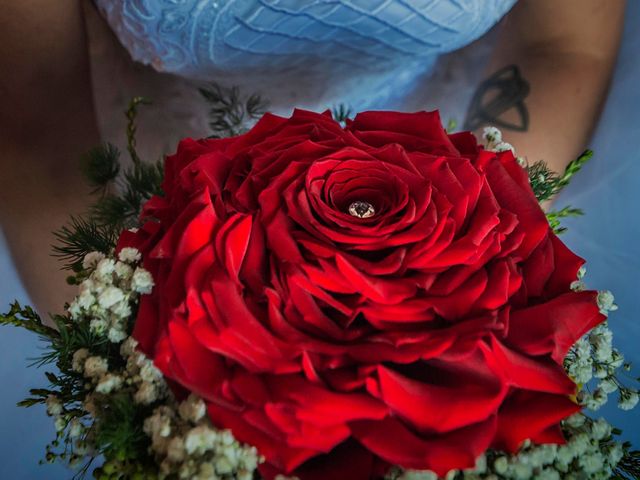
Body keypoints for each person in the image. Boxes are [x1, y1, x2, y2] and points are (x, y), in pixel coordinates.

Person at [0, 0, 636, 477]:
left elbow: (563, 42)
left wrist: (470, 260)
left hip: (453, 166)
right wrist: (147, 387)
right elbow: (38, 124)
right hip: (147, 223)